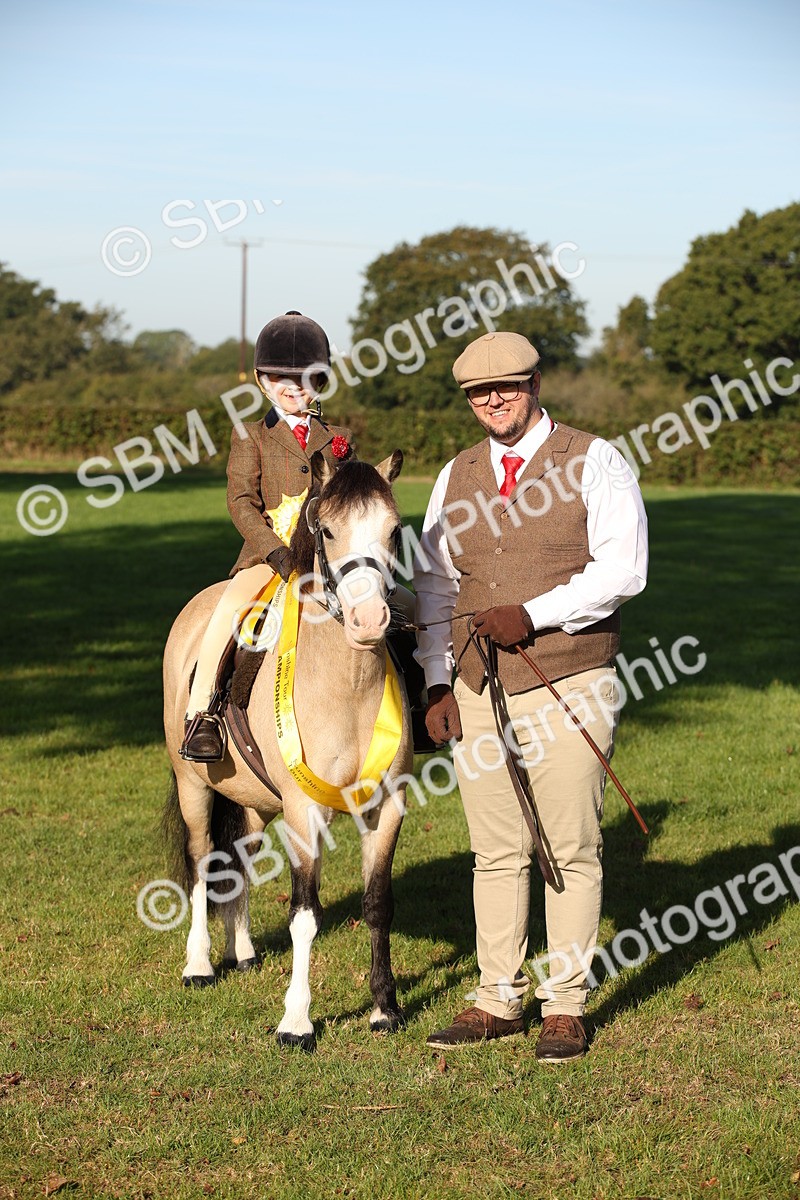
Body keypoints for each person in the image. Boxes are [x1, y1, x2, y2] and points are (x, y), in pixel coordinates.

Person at [413, 330, 648, 1062]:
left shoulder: (595, 458)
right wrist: (436, 678)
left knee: (569, 846)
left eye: (506, 387)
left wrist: (537, 614)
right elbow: (434, 585)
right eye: (480, 393)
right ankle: (496, 999)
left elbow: (624, 570)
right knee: (496, 850)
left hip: (570, 679)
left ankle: (565, 1005)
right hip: (480, 686)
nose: (493, 400)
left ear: (535, 383)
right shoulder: (456, 474)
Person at [180, 310, 354, 762]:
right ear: (261, 380)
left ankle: (418, 699)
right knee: (229, 610)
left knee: (393, 605)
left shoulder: (338, 438)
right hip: (266, 558)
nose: (294, 388)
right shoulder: (251, 435)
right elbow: (240, 503)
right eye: (282, 378)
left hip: (327, 559)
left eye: (307, 377)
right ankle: (203, 714)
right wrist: (276, 553)